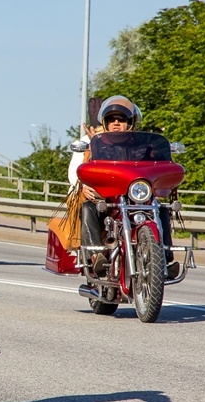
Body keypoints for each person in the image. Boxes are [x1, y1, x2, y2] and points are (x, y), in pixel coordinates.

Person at [76, 95, 179, 278]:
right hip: (108, 199)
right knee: (88, 207)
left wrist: (165, 158)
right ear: (105, 123)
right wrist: (85, 186)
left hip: (137, 198)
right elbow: (87, 169)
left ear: (130, 123)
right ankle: (95, 255)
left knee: (161, 209)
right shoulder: (97, 145)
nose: (116, 123)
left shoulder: (144, 146)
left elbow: (156, 167)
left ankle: (164, 257)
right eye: (112, 119)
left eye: (121, 120)